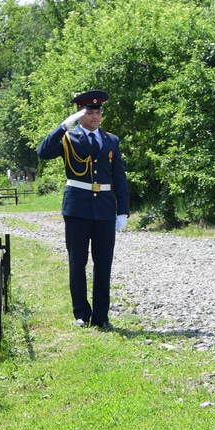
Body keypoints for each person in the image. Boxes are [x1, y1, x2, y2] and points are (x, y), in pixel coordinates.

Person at [37, 89, 129, 329]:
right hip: (77, 208)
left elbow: (119, 178)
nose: (95, 116)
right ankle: (81, 313)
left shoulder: (111, 141)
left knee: (103, 263)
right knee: (78, 262)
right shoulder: (68, 139)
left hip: (105, 210)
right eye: (89, 112)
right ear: (80, 114)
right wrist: (63, 126)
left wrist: (122, 211)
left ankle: (101, 316)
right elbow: (42, 152)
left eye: (98, 112)